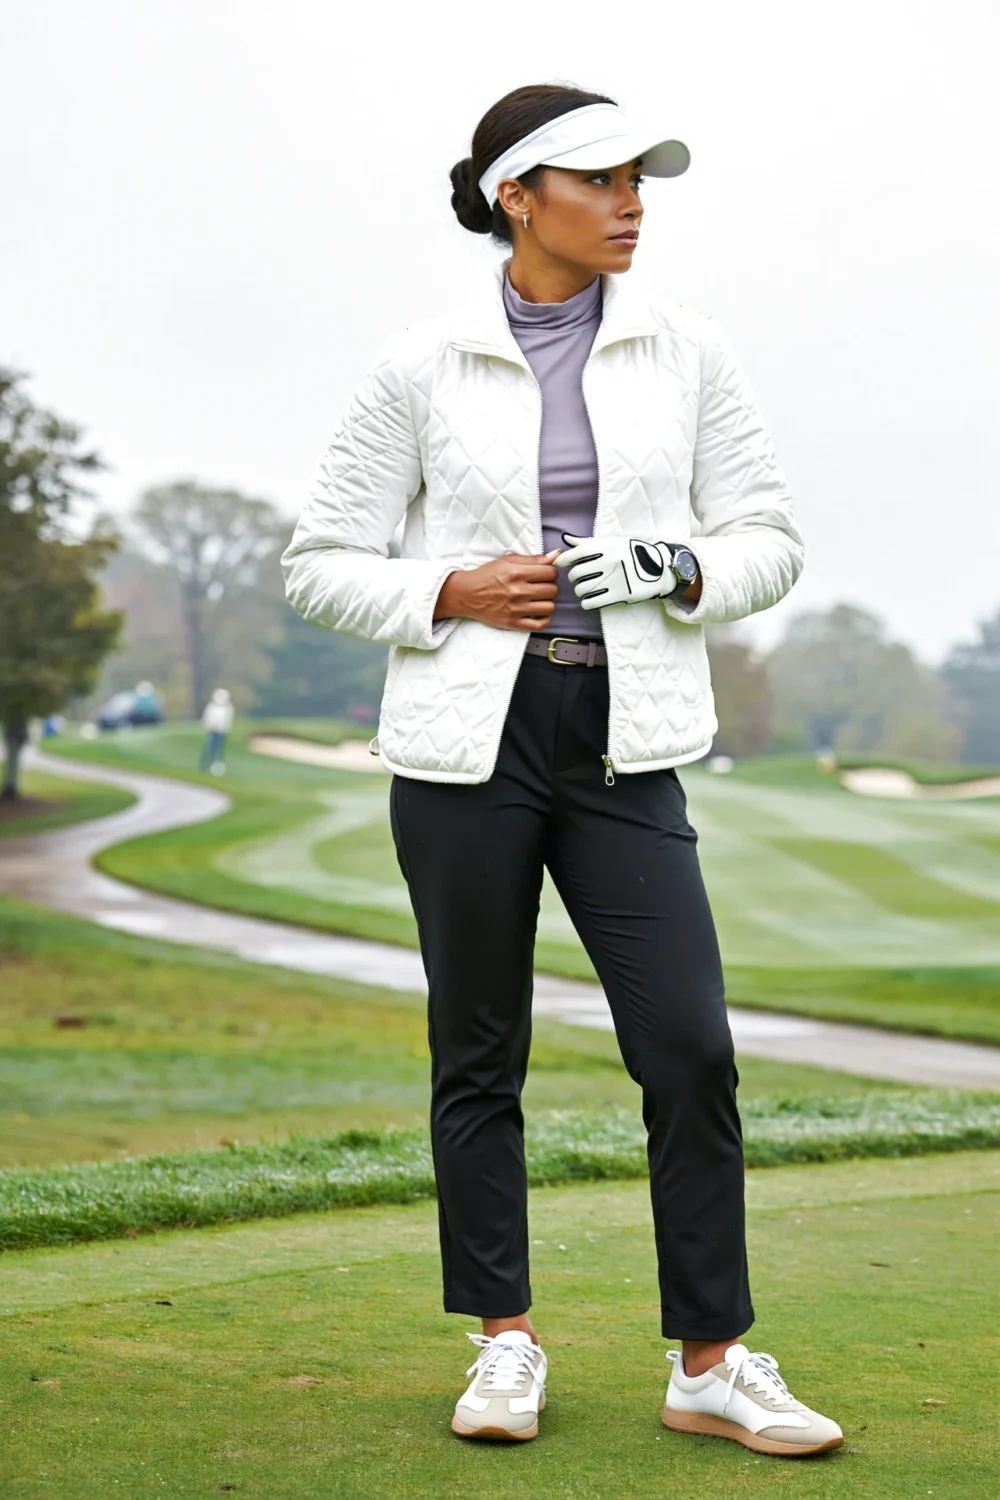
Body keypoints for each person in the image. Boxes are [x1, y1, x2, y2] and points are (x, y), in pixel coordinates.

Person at [282, 84, 843, 1458]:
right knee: (478, 1051)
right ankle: (503, 1343)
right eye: (601, 180)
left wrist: (677, 565)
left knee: (690, 1046)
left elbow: (769, 538)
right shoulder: (420, 365)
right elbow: (320, 563)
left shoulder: (688, 350)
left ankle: (710, 1363)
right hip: (465, 747)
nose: (631, 202)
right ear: (517, 197)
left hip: (625, 737)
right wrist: (450, 589)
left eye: (640, 180)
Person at [199, 687, 233, 774]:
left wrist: (225, 728)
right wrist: (209, 726)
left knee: (219, 749)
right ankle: (206, 764)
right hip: (212, 730)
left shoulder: (227, 708)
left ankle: (216, 765)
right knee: (210, 747)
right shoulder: (212, 707)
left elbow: (227, 720)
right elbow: (207, 718)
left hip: (221, 731)